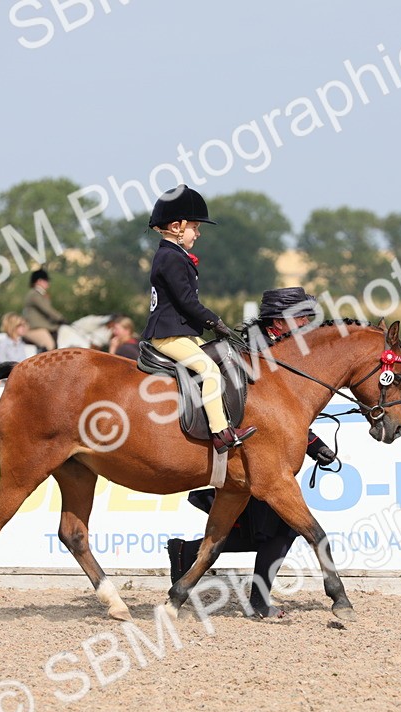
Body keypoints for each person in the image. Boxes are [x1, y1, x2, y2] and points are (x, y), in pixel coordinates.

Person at [168, 287, 336, 619]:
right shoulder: (255, 352)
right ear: (282, 320)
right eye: (303, 318)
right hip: (245, 455)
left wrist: (312, 443)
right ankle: (256, 600)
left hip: (256, 452)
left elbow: (283, 416)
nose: (308, 326)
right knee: (279, 529)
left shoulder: (277, 349)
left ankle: (187, 555)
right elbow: (270, 414)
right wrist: (313, 442)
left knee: (265, 530)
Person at [141, 185, 255, 454]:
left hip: (181, 331)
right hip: (169, 335)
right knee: (210, 370)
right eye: (194, 227)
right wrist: (214, 321)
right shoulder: (170, 257)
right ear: (176, 226)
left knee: (225, 354)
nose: (198, 232)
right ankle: (220, 433)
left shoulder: (173, 255)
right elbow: (186, 302)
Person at [22, 266, 67, 351]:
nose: (48, 283)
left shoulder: (41, 294)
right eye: (46, 281)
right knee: (49, 345)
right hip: (34, 328)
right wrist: (60, 318)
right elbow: (47, 310)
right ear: (39, 281)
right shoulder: (34, 294)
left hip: (43, 326)